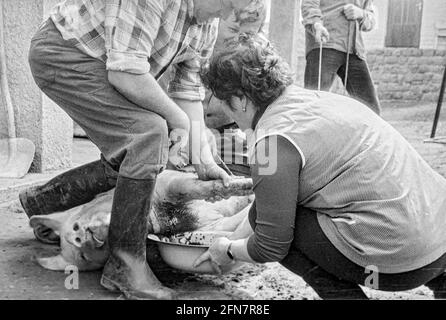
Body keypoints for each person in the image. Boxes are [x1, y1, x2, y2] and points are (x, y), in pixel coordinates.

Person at [22, 0, 254, 300]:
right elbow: (125, 73)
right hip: (64, 54)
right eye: (227, 5)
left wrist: (203, 157)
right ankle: (125, 264)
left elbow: (188, 90)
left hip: (106, 62)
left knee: (137, 147)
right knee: (148, 134)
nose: (228, 16)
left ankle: (42, 202)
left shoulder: (205, 22)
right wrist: (178, 121)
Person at [195, 34, 446, 299]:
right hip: (440, 241)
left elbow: (270, 245)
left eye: (224, 102)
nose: (227, 112)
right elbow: (270, 202)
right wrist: (235, 236)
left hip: (400, 263)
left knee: (280, 231)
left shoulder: (272, 142)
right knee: (276, 209)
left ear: (241, 99)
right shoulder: (319, 101)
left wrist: (229, 249)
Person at [301, 0, 381, 114]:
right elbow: (309, 4)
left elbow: (371, 20)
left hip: (354, 50)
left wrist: (361, 14)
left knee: (372, 109)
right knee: (313, 107)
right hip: (325, 44)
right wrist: (316, 25)